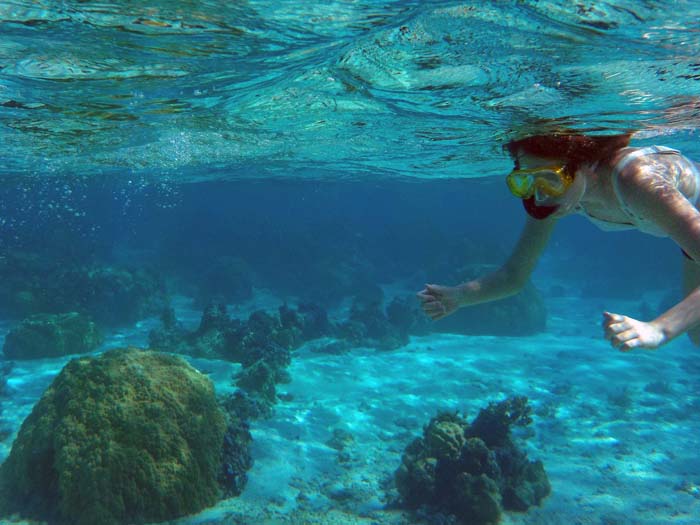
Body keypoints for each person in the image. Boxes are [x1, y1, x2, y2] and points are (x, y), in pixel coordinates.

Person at [417, 133, 700, 351]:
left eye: (550, 180)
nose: (540, 196)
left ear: (585, 165)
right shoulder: (563, 193)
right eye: (525, 182)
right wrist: (459, 297)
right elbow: (513, 276)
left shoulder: (635, 180)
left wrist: (658, 330)